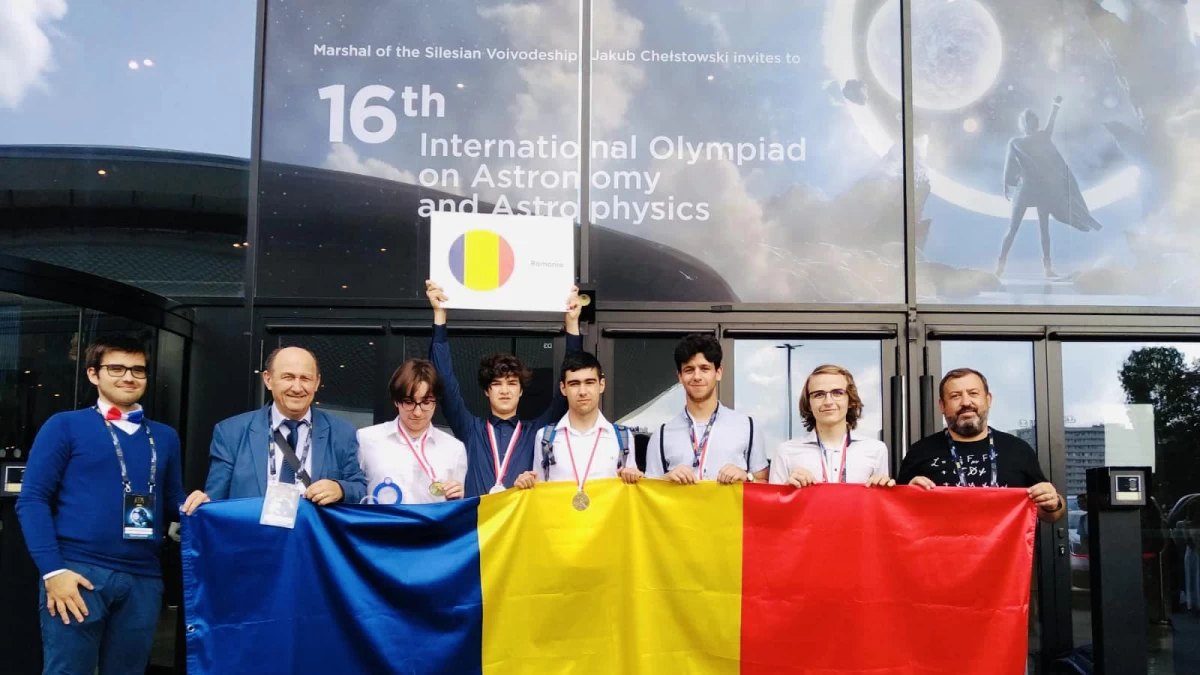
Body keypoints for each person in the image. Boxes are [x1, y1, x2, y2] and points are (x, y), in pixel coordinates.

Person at [16, 335, 186, 675]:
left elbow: (172, 503)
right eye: (117, 368)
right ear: (94, 374)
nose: (129, 377)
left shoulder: (165, 436)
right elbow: (32, 500)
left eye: (138, 370)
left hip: (143, 578)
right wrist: (53, 571)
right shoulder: (65, 425)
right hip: (78, 572)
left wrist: (201, 508)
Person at [425, 279, 582, 498]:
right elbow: (445, 381)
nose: (505, 390)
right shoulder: (471, 429)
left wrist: (572, 324)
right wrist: (440, 315)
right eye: (497, 384)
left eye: (512, 383)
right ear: (486, 391)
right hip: (478, 518)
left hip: (520, 520)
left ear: (521, 391)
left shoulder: (536, 432)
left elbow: (569, 385)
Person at [183, 346, 367, 510]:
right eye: (288, 377)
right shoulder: (231, 433)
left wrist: (340, 489)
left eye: (305, 378)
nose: (297, 388)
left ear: (317, 382)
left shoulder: (341, 432)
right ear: (268, 379)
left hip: (312, 536)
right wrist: (202, 504)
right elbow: (216, 501)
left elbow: (360, 488)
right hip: (253, 536)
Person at [898, 368, 1065, 523]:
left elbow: (1051, 515)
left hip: (1007, 546)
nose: (966, 402)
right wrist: (907, 496)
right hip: (940, 546)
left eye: (973, 393)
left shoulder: (1017, 449)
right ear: (942, 406)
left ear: (988, 399)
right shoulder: (920, 452)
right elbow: (897, 515)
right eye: (955, 396)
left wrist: (1053, 503)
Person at [998, 95, 1103, 278]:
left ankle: (1047, 269)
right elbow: (1009, 165)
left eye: (1035, 120)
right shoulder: (1016, 142)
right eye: (1031, 120)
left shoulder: (1041, 137)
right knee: (1013, 229)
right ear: (1025, 123)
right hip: (1025, 190)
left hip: (1042, 190)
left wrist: (1056, 105)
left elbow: (1051, 122)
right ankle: (1000, 267)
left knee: (1044, 230)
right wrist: (1006, 184)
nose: (1035, 123)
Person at [515, 352, 642, 498]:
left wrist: (635, 478)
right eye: (574, 384)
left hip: (607, 513)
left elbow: (632, 495)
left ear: (601, 385)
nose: (582, 392)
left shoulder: (623, 437)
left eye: (589, 382)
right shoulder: (545, 437)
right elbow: (539, 492)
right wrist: (527, 484)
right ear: (563, 388)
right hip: (559, 513)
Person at [645, 334, 767, 485]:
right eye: (689, 370)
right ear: (680, 376)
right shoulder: (661, 435)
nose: (697, 376)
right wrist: (665, 479)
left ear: (718, 373)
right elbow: (648, 491)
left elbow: (765, 485)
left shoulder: (748, 427)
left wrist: (747, 478)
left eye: (705, 368)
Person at [357, 359, 467, 505]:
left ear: (436, 402)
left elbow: (455, 506)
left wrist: (458, 497)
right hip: (381, 520)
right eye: (409, 402)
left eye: (426, 402)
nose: (417, 412)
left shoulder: (454, 449)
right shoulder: (365, 439)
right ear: (396, 401)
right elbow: (354, 492)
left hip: (431, 521)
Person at [769, 364, 894, 488]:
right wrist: (787, 490)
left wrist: (882, 490)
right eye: (819, 394)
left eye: (837, 393)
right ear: (808, 404)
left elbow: (879, 500)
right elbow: (774, 501)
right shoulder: (786, 452)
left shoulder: (876, 450)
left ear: (850, 400)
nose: (828, 402)